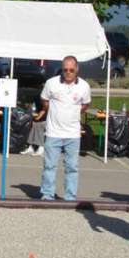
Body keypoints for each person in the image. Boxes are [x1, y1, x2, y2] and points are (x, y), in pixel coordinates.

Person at [39, 56, 91, 201]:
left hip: (73, 134)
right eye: (65, 70)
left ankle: (70, 196)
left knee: (72, 167)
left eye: (71, 70)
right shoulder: (51, 83)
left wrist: (73, 114)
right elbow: (44, 100)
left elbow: (85, 105)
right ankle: (47, 194)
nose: (68, 72)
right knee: (49, 166)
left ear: (77, 69)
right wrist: (54, 111)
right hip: (53, 132)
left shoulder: (84, 86)